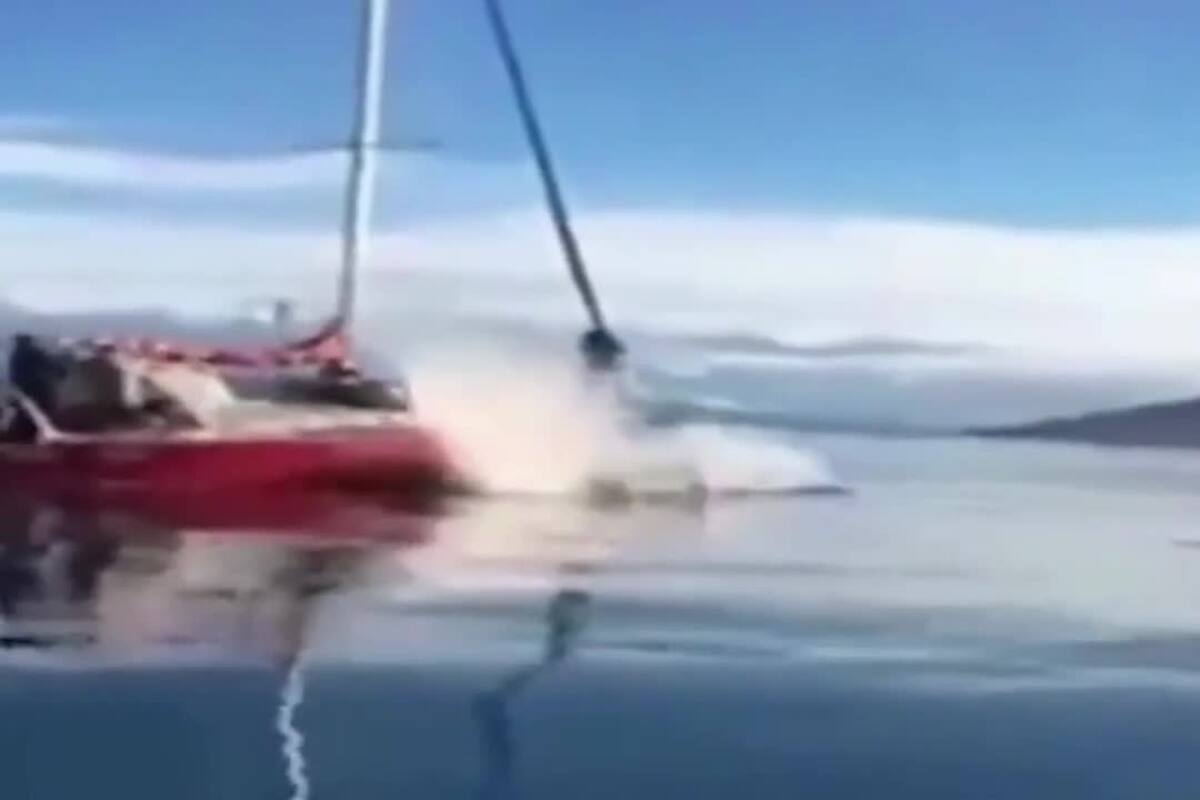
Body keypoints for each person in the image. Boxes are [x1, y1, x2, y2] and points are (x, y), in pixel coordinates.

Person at [7, 334, 62, 413]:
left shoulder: (15, 355)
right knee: (48, 402)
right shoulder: (31, 350)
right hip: (35, 385)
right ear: (28, 341)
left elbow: (13, 375)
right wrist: (59, 370)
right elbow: (47, 361)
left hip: (22, 387)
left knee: (29, 408)